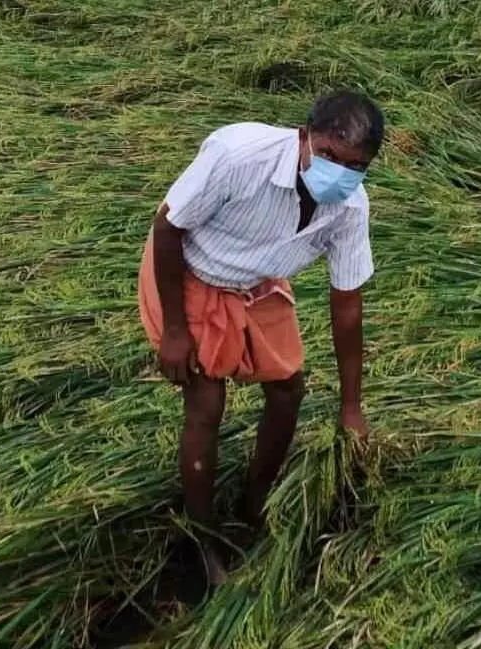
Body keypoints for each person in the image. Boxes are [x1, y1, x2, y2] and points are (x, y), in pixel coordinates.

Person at [137, 89, 384, 584]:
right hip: (190, 272)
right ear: (304, 136)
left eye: (354, 166)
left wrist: (351, 407)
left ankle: (254, 504)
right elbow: (168, 228)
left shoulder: (349, 208)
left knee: (289, 386)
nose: (338, 172)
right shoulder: (239, 157)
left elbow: (347, 306)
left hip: (257, 281)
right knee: (206, 402)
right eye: (329, 155)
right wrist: (176, 331)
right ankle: (205, 541)